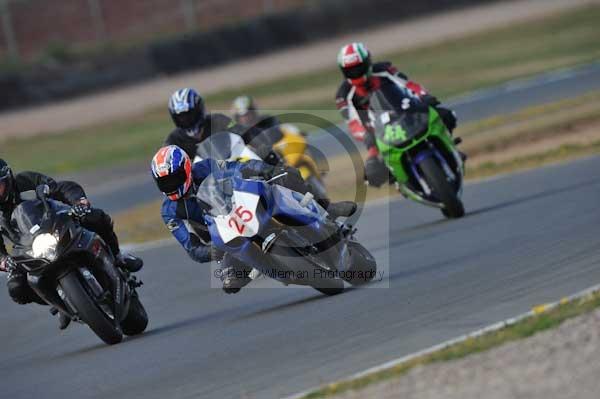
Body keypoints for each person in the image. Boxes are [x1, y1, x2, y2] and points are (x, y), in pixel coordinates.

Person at [151, 145, 356, 294]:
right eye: (164, 182)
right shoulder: (169, 211)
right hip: (224, 235)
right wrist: (211, 251)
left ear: (186, 169)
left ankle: (326, 208)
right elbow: (191, 248)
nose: (170, 186)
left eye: (174, 178)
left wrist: (266, 170)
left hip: (243, 206)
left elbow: (237, 168)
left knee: (287, 176)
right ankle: (279, 269)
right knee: (230, 282)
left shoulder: (205, 167)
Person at [0, 159, 143, 329]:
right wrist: (3, 260)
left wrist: (78, 202)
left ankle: (118, 257)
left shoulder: (26, 180)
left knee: (94, 217)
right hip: (26, 248)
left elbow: (60, 187)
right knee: (17, 288)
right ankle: (61, 301)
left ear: (7, 178)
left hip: (54, 222)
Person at [335, 42, 462, 187]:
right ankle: (398, 178)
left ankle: (450, 146)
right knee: (372, 174)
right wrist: (366, 135)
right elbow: (352, 123)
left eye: (359, 68)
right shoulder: (343, 94)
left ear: (367, 62)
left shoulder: (384, 70)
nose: (356, 73)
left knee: (446, 115)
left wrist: (424, 96)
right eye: (350, 70)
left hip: (405, 111)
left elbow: (409, 85)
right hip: (377, 130)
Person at [165, 88, 277, 162]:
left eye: (189, 114)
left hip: (232, 174)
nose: (185, 119)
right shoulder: (173, 140)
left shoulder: (218, 121)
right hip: (200, 189)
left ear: (199, 109)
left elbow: (245, 132)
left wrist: (266, 150)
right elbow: (166, 163)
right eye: (180, 116)